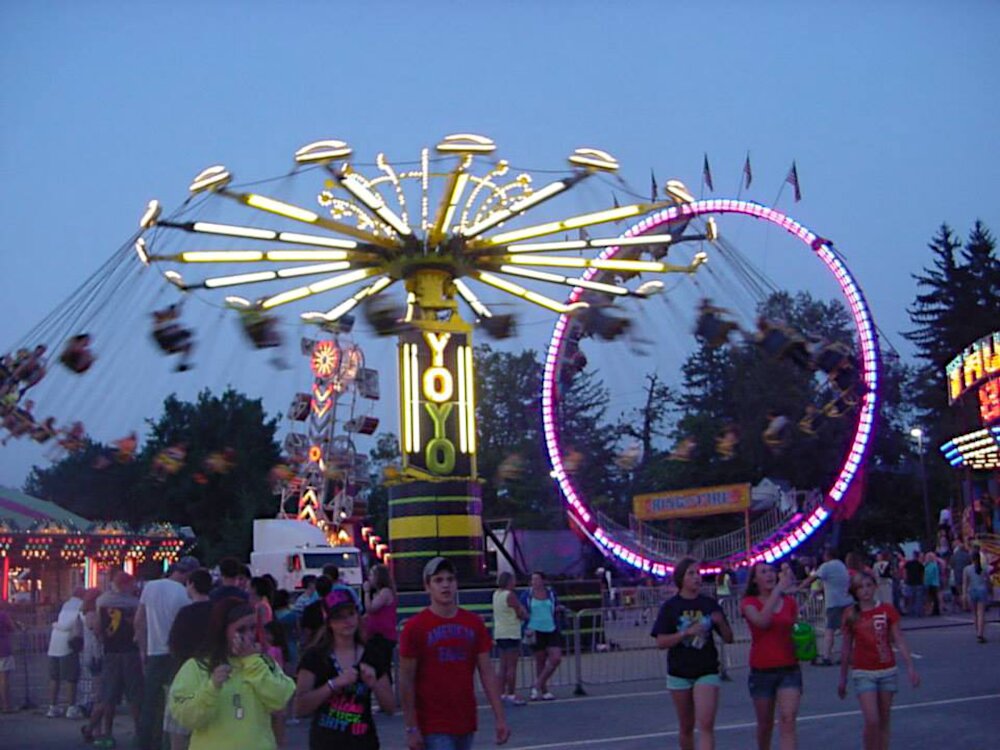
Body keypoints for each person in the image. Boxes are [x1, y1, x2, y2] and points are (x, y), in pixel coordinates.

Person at [399, 556, 510, 749]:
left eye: (450, 579)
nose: (445, 586)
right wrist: (411, 727)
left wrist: (500, 717)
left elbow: (487, 672)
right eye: (438, 580)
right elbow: (406, 679)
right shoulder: (415, 627)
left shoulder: (473, 623)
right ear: (427, 587)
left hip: (465, 719)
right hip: (432, 723)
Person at [168, 597, 295, 750]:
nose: (248, 636)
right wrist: (211, 688)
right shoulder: (197, 666)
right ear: (223, 631)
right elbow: (185, 718)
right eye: (241, 630)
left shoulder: (264, 663)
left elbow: (280, 701)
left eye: (253, 628)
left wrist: (253, 663)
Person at [294, 590, 395, 749]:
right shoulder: (315, 656)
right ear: (329, 621)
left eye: (351, 614)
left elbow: (390, 707)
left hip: (364, 743)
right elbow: (299, 707)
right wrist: (333, 684)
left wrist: (373, 683)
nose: (347, 621)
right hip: (326, 743)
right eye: (339, 617)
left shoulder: (372, 653)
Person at [651, 558, 734, 750]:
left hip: (706, 669)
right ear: (681, 578)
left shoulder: (709, 604)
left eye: (698, 573)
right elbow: (661, 641)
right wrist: (684, 633)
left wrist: (720, 622)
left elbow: (728, 638)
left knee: (705, 725)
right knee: (686, 727)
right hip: (679, 671)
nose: (697, 577)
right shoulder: (671, 607)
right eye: (691, 573)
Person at [837, 571, 920, 750]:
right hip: (863, 671)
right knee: (872, 719)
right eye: (861, 587)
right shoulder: (851, 614)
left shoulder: (887, 610)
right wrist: (842, 678)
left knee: (884, 718)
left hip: (887, 670)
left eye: (868, 585)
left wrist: (910, 667)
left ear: (875, 587)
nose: (865, 590)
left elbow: (899, 638)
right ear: (855, 591)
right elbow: (845, 647)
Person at [136, 555, 201, 750]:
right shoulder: (184, 595)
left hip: (153, 651)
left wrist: (142, 649)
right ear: (189, 575)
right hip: (176, 655)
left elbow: (139, 621)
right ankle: (168, 744)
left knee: (150, 703)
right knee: (173, 703)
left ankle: (145, 743)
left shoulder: (150, 587)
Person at [741, 562, 801, 750]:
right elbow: (762, 622)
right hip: (762, 670)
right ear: (755, 580)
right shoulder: (749, 603)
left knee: (788, 719)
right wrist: (777, 592)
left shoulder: (790, 603)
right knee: (765, 724)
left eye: (771, 571)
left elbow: (794, 628)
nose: (769, 575)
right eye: (763, 572)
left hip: (789, 667)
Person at [91, 572, 143, 746]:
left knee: (109, 695)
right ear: (126, 584)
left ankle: (107, 733)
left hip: (110, 651)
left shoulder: (102, 601)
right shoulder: (135, 603)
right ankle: (139, 733)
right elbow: (139, 626)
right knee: (135, 695)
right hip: (131, 651)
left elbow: (97, 627)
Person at [800, 547, 852, 666]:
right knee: (846, 631)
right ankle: (847, 655)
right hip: (846, 601)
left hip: (834, 603)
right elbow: (834, 583)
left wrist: (800, 587)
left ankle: (826, 656)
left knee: (829, 630)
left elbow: (812, 578)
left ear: (827, 556)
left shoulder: (826, 566)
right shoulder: (841, 565)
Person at [521, 571, 563, 701]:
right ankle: (543, 690)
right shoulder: (526, 595)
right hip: (535, 630)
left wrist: (558, 609)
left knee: (556, 658)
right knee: (540, 661)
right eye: (532, 580)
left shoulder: (551, 594)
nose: (534, 582)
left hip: (551, 628)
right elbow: (521, 611)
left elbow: (554, 606)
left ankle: (537, 684)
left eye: (537, 579)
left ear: (543, 581)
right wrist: (525, 627)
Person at [46, 587, 85, 718]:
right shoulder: (80, 605)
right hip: (68, 645)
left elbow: (62, 623)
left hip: (53, 645)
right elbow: (74, 623)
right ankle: (71, 707)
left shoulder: (65, 605)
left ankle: (52, 707)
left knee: (54, 678)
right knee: (71, 678)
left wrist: (55, 625)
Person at [492, 572, 528, 707]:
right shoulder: (510, 595)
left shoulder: (496, 594)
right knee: (512, 666)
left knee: (503, 665)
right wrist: (524, 613)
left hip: (500, 632)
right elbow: (521, 612)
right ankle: (511, 693)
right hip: (511, 632)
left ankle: (501, 693)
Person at [362, 563, 399, 681]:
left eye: (372, 575)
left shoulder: (385, 592)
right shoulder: (380, 593)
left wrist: (366, 592)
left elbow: (371, 608)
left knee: (382, 666)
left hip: (383, 636)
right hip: (375, 634)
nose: (369, 578)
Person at [963, 547, 992, 643]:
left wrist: (964, 595)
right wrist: (990, 591)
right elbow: (988, 581)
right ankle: (980, 634)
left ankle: (977, 632)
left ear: (971, 558)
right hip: (982, 590)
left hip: (972, 591)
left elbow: (965, 583)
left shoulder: (967, 569)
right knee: (981, 613)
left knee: (974, 614)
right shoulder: (983, 568)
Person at [0, 599, 17, 713]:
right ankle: (6, 706)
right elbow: (11, 628)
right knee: (4, 679)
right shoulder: (3, 615)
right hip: (3, 649)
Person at [949, 540, 972, 612]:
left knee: (961, 592)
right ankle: (968, 605)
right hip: (966, 575)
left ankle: (964, 606)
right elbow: (970, 564)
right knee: (967, 591)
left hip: (957, 576)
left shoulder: (953, 556)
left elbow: (952, 566)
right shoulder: (968, 555)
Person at [902, 551, 925, 618]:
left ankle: (911, 612)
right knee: (918, 599)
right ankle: (918, 613)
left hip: (910, 583)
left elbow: (905, 572)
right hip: (919, 583)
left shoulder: (908, 563)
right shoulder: (920, 564)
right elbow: (923, 574)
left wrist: (905, 580)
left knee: (911, 598)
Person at [923, 552, 942, 616]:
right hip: (935, 583)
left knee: (931, 598)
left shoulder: (931, 565)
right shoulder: (934, 564)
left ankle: (933, 610)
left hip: (931, 583)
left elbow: (929, 575)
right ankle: (935, 610)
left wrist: (925, 582)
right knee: (934, 597)